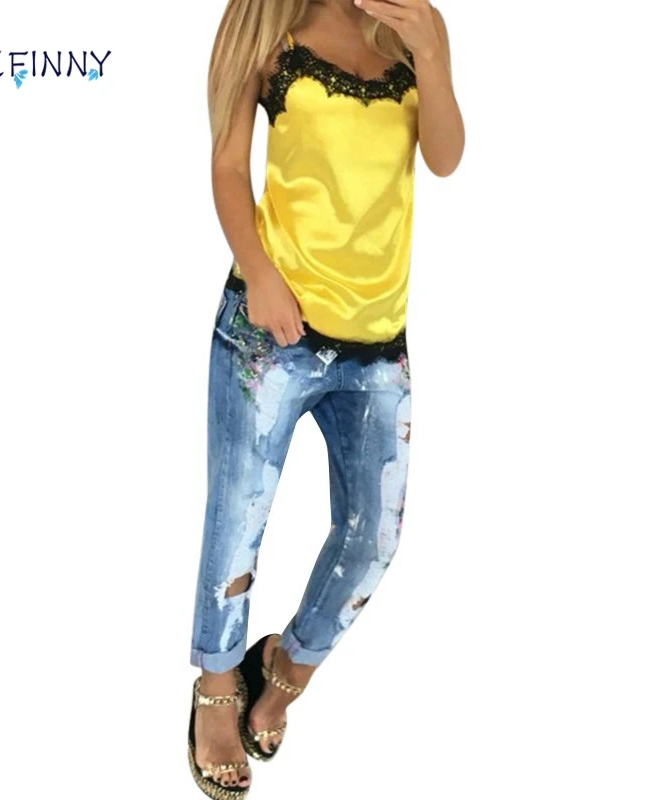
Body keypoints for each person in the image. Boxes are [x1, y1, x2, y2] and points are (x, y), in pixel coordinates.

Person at [188, 1, 464, 797]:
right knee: (238, 521)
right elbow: (226, 166)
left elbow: (444, 158)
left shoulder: (412, 25)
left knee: (373, 536)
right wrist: (260, 274)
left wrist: (432, 56)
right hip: (270, 332)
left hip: (379, 343)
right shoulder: (264, 23)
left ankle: (286, 669)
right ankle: (216, 685)